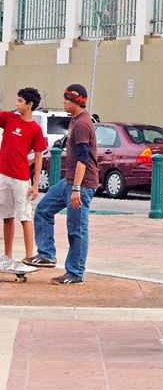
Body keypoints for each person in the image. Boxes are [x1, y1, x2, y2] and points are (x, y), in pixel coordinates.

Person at [24, 84, 98, 284]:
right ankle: (47, 254)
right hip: (68, 182)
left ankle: (75, 273)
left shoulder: (82, 124)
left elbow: (83, 158)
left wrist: (76, 189)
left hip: (80, 185)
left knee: (77, 229)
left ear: (76, 101)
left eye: (66, 99)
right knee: (43, 210)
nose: (63, 101)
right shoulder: (76, 121)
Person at [0, 87, 46, 272]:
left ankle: (29, 259)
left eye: (20, 101)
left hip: (21, 178)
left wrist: (35, 185)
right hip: (4, 175)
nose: (16, 104)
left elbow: (38, 156)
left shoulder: (35, 129)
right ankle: (7, 257)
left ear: (30, 105)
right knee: (6, 216)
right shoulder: (9, 118)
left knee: (25, 216)